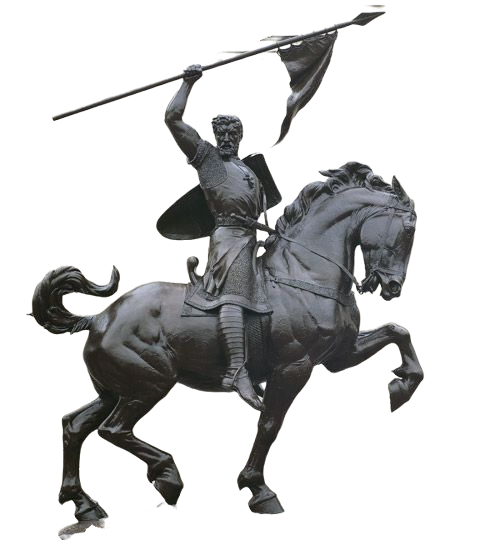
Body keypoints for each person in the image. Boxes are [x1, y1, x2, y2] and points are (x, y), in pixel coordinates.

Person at [164, 63, 270, 412]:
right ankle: (236, 369)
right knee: (233, 293)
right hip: (229, 241)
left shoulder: (247, 170)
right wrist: (187, 83)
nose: (226, 138)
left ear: (240, 137)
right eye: (220, 133)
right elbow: (173, 119)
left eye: (231, 134)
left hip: (250, 239)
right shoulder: (209, 161)